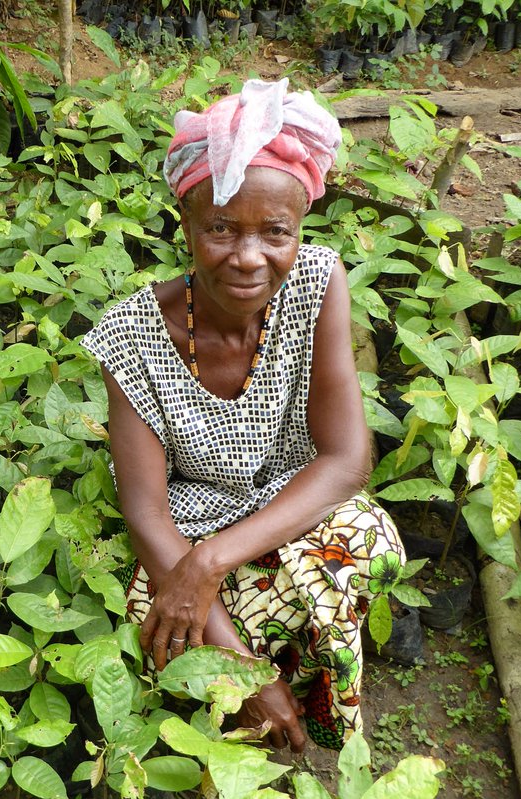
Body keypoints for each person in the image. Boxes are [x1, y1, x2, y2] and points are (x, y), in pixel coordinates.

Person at [79, 79, 405, 752]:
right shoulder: (130, 335)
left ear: (300, 230)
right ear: (187, 227)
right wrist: (242, 667)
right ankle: (262, 701)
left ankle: (307, 698)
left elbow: (346, 460)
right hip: (184, 527)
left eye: (275, 232)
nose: (249, 256)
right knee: (168, 631)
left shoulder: (318, 283)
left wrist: (211, 565)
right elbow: (144, 511)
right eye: (222, 228)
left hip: (288, 505)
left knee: (360, 545)